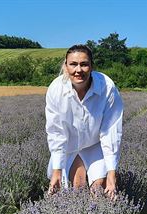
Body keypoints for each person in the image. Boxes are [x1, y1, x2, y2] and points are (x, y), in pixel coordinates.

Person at [45, 44, 123, 200]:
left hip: (95, 145)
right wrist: (57, 171)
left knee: (99, 190)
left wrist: (111, 173)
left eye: (84, 64)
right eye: (73, 64)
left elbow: (111, 131)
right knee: (77, 188)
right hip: (69, 146)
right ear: (66, 66)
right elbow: (56, 132)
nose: (78, 70)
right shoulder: (56, 89)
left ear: (92, 66)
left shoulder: (107, 88)